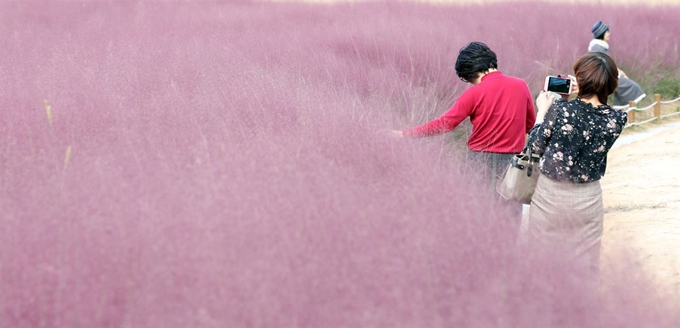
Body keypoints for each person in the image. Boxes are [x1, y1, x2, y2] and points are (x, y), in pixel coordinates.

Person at [522, 52, 627, 286]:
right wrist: (586, 91)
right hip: (588, 200)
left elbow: (535, 144)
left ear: (579, 81)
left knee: (542, 262)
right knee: (585, 268)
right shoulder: (617, 119)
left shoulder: (560, 110)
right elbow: (592, 116)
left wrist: (543, 110)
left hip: (550, 196)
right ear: (611, 85)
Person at [589, 20, 646, 106]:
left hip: (608, 76)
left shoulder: (599, 47)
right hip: (604, 79)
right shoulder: (597, 48)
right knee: (632, 87)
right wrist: (618, 73)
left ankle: (620, 110)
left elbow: (608, 63)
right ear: (602, 34)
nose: (609, 33)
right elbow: (604, 66)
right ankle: (623, 111)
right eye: (607, 32)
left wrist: (619, 71)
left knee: (627, 86)